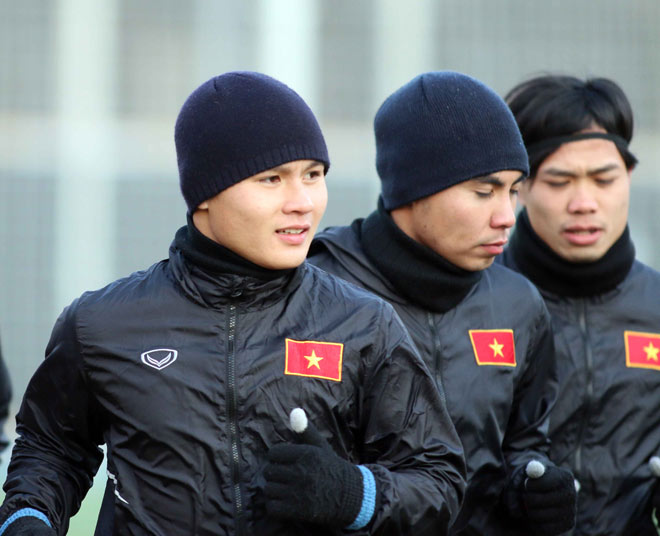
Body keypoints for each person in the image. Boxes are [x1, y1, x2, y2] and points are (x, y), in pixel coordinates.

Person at [0, 72, 466, 535]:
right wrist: (28, 519)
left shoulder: (363, 324)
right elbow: (51, 448)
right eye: (272, 179)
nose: (302, 202)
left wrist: (353, 495)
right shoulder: (101, 324)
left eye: (313, 175)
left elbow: (438, 481)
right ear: (205, 194)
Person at [308, 71, 577, 536]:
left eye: (514, 191)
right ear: (415, 188)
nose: (506, 216)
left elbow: (524, 443)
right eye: (484, 192)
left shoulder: (517, 303)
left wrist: (532, 488)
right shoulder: (317, 289)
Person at [501, 74, 660, 535]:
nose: (584, 202)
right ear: (521, 187)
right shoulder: (477, 305)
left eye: (604, 179)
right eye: (560, 181)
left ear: (628, 177)